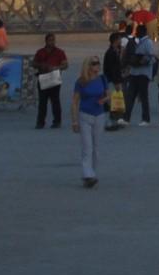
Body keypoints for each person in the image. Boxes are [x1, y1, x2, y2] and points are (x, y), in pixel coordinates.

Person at [71, 57, 110, 188]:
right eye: (94, 64)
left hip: (99, 115)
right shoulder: (81, 82)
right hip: (85, 115)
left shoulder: (102, 79)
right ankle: (88, 174)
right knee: (87, 147)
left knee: (96, 147)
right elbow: (75, 101)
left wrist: (104, 100)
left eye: (98, 63)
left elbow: (108, 94)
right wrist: (74, 121)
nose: (97, 66)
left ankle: (92, 173)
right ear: (88, 66)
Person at [33, 33, 68, 129]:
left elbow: (65, 65)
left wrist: (56, 67)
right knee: (42, 102)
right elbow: (34, 63)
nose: (51, 42)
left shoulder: (60, 52)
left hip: (54, 78)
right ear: (46, 41)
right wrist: (42, 65)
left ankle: (57, 121)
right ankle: (40, 122)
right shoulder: (40, 52)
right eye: (50, 40)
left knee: (55, 101)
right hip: (43, 77)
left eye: (53, 40)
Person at [123, 25, 156, 126]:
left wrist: (142, 60)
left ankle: (145, 119)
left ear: (142, 32)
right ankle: (126, 118)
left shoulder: (148, 42)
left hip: (143, 73)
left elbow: (152, 57)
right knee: (130, 96)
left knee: (143, 96)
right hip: (134, 72)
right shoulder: (137, 41)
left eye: (137, 31)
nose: (136, 32)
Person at [102, 32, 127, 127]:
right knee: (114, 100)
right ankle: (114, 120)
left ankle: (116, 119)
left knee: (117, 100)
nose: (121, 41)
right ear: (116, 40)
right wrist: (116, 81)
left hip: (113, 79)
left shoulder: (115, 51)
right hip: (112, 80)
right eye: (120, 39)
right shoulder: (111, 53)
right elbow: (112, 69)